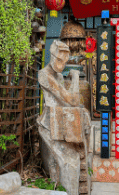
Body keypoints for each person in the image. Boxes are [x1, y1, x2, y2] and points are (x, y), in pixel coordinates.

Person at [38, 41, 92, 195]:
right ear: (52, 55)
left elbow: (68, 102)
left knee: (74, 158)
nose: (62, 65)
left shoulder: (59, 75)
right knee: (70, 162)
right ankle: (61, 189)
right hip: (49, 125)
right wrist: (75, 78)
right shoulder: (44, 75)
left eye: (65, 62)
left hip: (61, 120)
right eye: (59, 60)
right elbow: (72, 100)